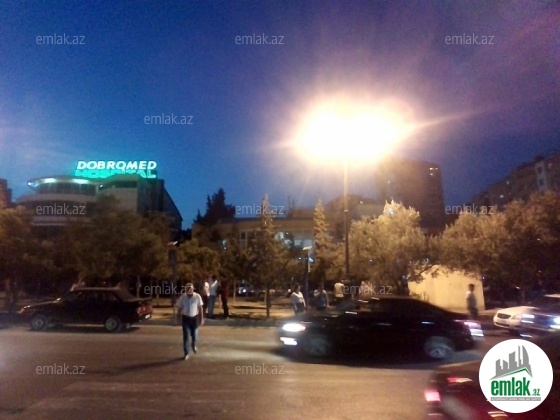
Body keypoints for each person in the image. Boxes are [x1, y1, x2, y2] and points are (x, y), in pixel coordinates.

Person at [175, 283, 204, 360]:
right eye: (187, 288)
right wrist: (177, 318)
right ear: (185, 289)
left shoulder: (197, 296)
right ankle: (186, 353)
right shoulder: (182, 297)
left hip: (194, 318)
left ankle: (193, 344)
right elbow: (179, 309)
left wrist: (201, 319)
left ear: (193, 289)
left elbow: (200, 308)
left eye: (190, 288)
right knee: (186, 336)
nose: (189, 290)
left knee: (194, 335)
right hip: (186, 318)